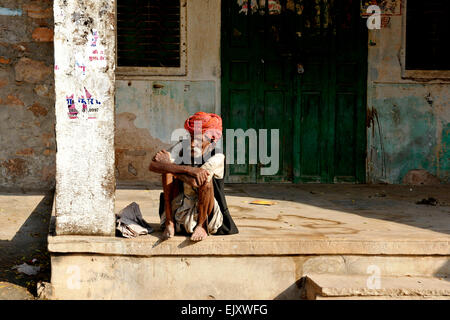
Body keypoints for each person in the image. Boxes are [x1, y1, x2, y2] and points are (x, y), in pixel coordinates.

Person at [149, 112, 238, 241]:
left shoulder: (217, 157)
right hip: (181, 205)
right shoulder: (181, 147)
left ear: (211, 140)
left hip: (207, 213)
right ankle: (169, 221)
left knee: (205, 182)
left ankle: (201, 227)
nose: (191, 144)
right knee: (166, 172)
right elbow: (153, 165)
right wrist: (189, 169)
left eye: (198, 139)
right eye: (191, 137)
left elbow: (196, 182)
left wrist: (170, 166)